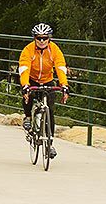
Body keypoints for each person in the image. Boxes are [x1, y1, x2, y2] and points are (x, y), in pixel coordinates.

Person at [18, 23, 69, 158]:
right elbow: (24, 68)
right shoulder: (28, 50)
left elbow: (60, 67)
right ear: (34, 38)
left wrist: (64, 85)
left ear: (49, 38)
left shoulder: (54, 50)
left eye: (44, 38)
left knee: (50, 111)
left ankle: (50, 145)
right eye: (38, 38)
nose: (41, 41)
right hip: (32, 79)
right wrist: (25, 85)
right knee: (27, 95)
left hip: (47, 80)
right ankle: (28, 117)